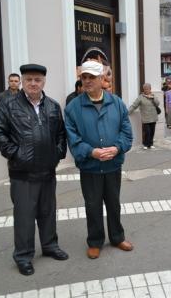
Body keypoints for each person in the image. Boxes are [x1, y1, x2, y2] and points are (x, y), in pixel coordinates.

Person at [0, 64, 68, 276]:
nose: (33, 83)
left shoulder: (52, 106)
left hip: (47, 172)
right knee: (24, 216)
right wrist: (16, 153)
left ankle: (50, 246)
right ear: (22, 81)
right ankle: (23, 256)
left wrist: (58, 153)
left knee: (47, 212)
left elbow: (61, 133)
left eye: (37, 80)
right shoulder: (8, 105)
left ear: (44, 82)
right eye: (29, 79)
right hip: (22, 174)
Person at [65, 60, 134, 260]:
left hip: (112, 165)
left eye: (91, 77)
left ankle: (117, 237)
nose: (87, 81)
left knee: (113, 203)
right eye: (84, 77)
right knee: (92, 205)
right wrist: (91, 152)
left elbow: (126, 132)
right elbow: (73, 138)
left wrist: (117, 147)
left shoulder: (117, 103)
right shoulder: (73, 108)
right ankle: (95, 241)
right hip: (90, 166)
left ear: (102, 79)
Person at [129, 83, 160, 149]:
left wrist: (153, 97)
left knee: (152, 131)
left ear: (150, 89)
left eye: (147, 89)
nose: (146, 90)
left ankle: (151, 144)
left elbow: (157, 103)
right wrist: (127, 112)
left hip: (153, 117)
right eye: (145, 89)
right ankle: (145, 144)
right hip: (145, 117)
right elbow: (134, 105)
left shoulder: (153, 96)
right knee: (147, 131)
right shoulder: (141, 97)